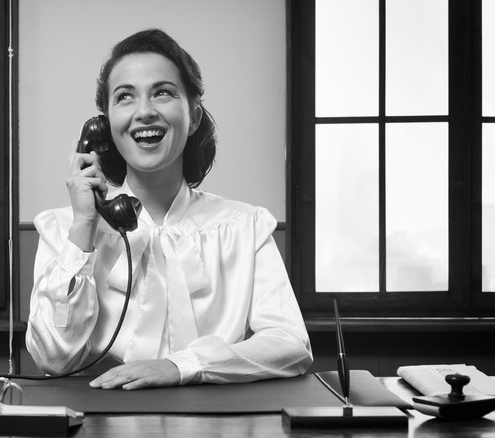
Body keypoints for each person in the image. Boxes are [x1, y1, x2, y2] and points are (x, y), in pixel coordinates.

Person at [26, 29, 312, 390]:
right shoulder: (64, 228)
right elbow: (52, 358)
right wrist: (85, 224)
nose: (144, 112)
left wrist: (183, 366)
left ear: (192, 117)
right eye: (125, 97)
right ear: (104, 127)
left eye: (163, 93)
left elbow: (291, 344)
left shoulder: (244, 226)